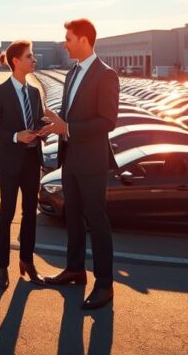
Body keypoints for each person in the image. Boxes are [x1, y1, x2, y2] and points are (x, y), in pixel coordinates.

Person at [38, 18, 119, 309]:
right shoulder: (72, 73)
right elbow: (67, 114)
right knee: (71, 217)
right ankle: (74, 270)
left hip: (92, 162)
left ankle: (105, 284)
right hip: (70, 159)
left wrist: (68, 128)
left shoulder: (105, 75)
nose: (65, 43)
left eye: (69, 38)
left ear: (84, 40)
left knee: (97, 223)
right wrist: (54, 124)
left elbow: (107, 121)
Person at [0, 40, 46, 289]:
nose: (34, 60)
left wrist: (44, 130)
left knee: (30, 214)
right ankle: (1, 269)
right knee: (6, 214)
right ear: (16, 61)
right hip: (8, 163)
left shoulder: (35, 92)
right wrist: (14, 136)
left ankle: (27, 263)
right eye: (30, 56)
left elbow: (38, 120)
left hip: (32, 160)